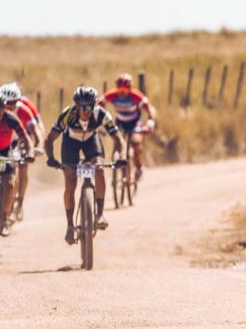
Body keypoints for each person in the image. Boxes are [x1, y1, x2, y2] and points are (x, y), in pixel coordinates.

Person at [44, 86, 123, 244]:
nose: (86, 111)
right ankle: (70, 226)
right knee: (70, 182)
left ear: (94, 105)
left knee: (99, 170)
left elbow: (118, 139)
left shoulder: (101, 114)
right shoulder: (68, 114)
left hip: (91, 141)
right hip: (70, 142)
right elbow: (50, 139)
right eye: (82, 108)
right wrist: (51, 158)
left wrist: (120, 156)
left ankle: (100, 214)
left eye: (90, 107)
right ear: (76, 106)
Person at [99, 74, 157, 180]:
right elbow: (99, 104)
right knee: (118, 142)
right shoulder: (112, 95)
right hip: (120, 122)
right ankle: (121, 166)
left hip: (134, 122)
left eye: (124, 90)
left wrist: (150, 122)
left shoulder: (135, 95)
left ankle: (139, 168)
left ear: (129, 88)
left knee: (136, 142)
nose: (122, 92)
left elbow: (150, 109)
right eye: (120, 90)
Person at [0, 83, 44, 220]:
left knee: (22, 165)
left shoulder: (23, 111)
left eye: (13, 104)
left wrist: (37, 147)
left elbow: (35, 132)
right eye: (7, 104)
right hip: (7, 141)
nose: (9, 107)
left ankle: (19, 202)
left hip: (18, 141)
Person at [0, 93, 34, 235]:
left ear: (4, 109)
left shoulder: (11, 119)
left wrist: (30, 153)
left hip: (5, 152)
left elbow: (25, 137)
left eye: (0, 110)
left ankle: (4, 220)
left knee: (10, 183)